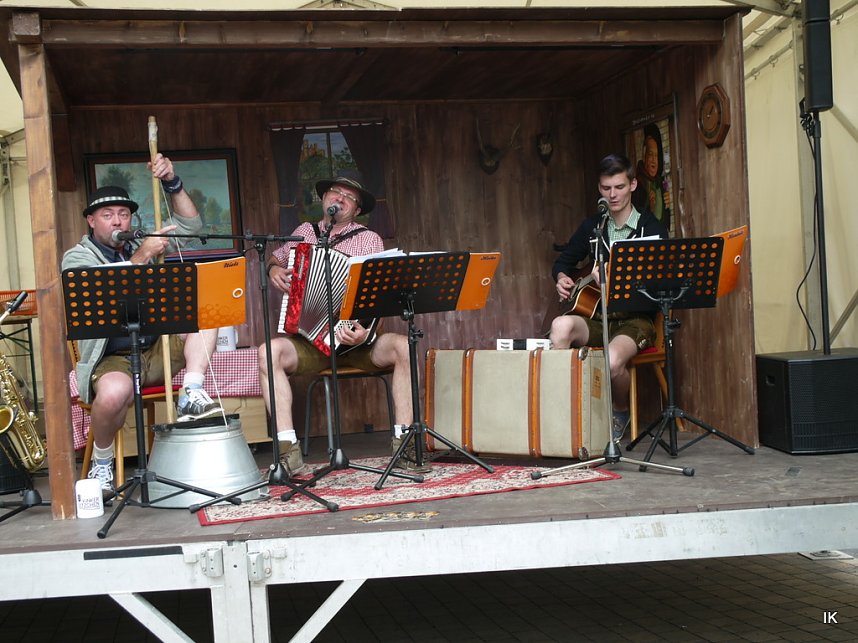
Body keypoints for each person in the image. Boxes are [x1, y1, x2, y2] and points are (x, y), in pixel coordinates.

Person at [63, 154, 222, 494]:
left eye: (123, 214)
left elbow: (192, 227)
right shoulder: (78, 256)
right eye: (107, 215)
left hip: (156, 350)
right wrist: (142, 257)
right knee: (115, 392)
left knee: (208, 311)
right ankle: (102, 464)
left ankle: (191, 392)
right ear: (91, 221)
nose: (117, 221)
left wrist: (172, 182)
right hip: (113, 360)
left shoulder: (138, 241)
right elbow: (103, 297)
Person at [261, 173, 417, 477]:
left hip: (359, 342)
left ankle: (405, 444)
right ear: (324, 199)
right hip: (311, 342)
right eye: (335, 192)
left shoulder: (369, 238)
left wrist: (364, 333)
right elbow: (275, 257)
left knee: (402, 346)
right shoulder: (304, 231)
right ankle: (287, 452)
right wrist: (274, 269)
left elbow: (379, 294)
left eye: (349, 197)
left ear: (356, 210)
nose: (339, 199)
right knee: (269, 352)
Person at [550, 153, 668, 442]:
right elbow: (563, 262)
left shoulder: (651, 229)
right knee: (560, 327)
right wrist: (562, 278)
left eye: (618, 187)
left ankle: (619, 411)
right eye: (606, 188)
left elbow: (660, 289)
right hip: (595, 316)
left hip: (634, 320)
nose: (612, 194)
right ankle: (563, 415)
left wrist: (616, 284)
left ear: (633, 185)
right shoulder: (594, 227)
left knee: (613, 361)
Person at [632, 123, 671, 231]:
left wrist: (667, 205)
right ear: (644, 156)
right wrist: (650, 207)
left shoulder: (659, 183)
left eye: (656, 155)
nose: (654, 160)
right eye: (650, 154)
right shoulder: (638, 185)